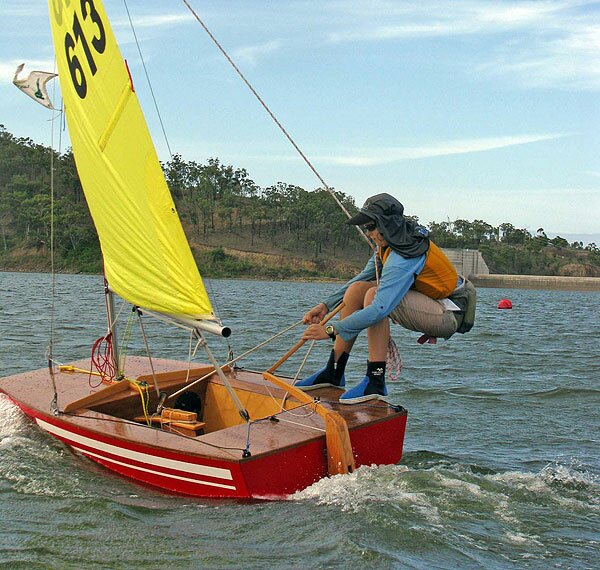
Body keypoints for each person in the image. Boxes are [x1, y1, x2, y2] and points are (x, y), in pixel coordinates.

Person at [298, 193, 472, 404]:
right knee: (357, 289)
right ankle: (334, 371)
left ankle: (376, 381)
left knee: (373, 296)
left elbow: (380, 308)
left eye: (371, 226)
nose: (369, 233)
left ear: (387, 224)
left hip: (448, 314)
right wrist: (326, 305)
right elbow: (363, 277)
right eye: (366, 228)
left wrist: (331, 330)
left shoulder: (405, 255)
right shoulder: (388, 244)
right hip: (429, 303)